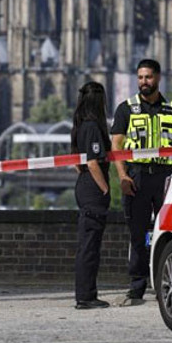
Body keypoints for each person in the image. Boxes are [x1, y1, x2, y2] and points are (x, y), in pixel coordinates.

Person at [111, 59, 172, 306]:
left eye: (148, 77)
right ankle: (136, 288)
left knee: (169, 232)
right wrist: (123, 176)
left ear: (158, 78)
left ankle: (166, 282)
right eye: (141, 77)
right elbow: (117, 147)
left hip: (165, 177)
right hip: (137, 177)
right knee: (138, 233)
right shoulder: (125, 109)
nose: (144, 82)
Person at [71, 82, 112, 310]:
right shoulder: (93, 127)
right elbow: (92, 162)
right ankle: (86, 296)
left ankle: (87, 293)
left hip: (83, 185)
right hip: (93, 190)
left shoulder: (78, 126)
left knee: (87, 243)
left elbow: (77, 163)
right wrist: (104, 187)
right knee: (89, 246)